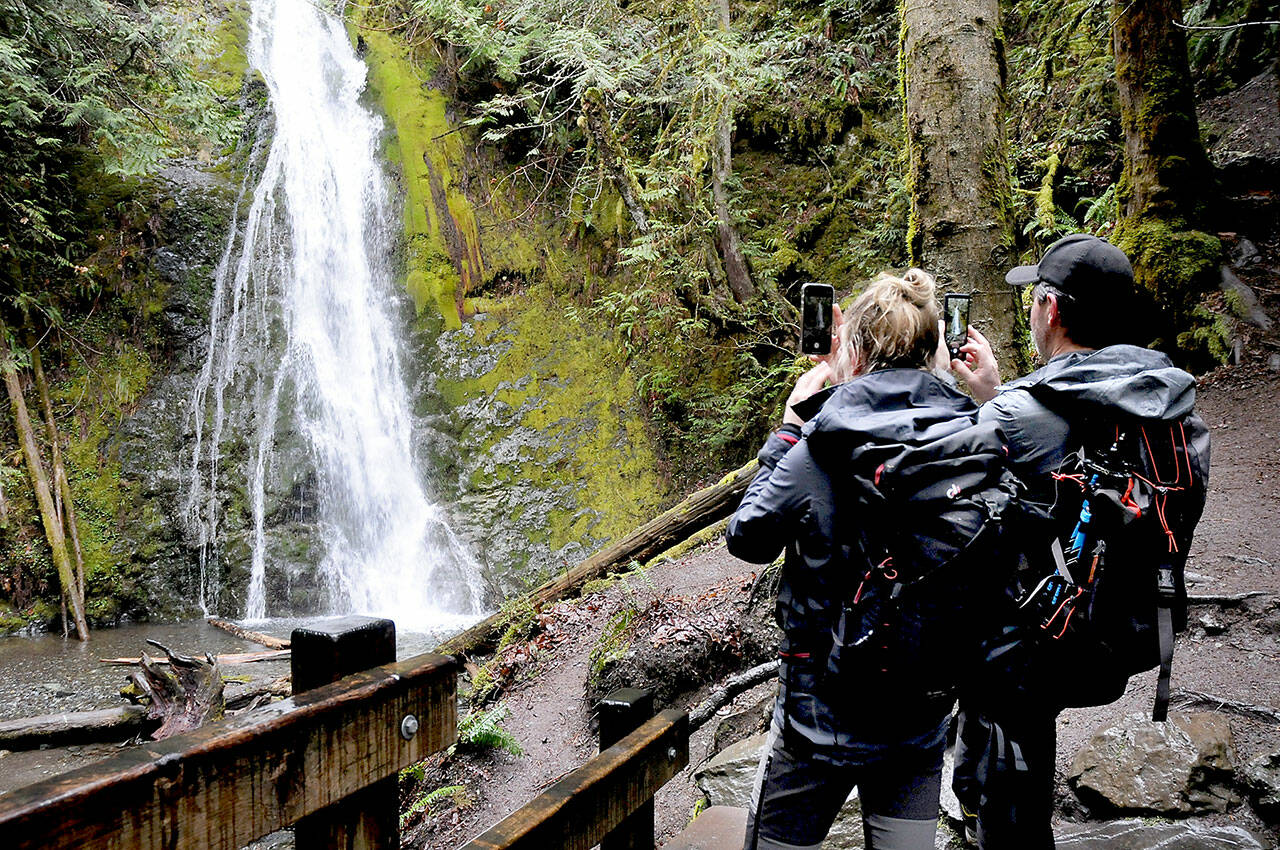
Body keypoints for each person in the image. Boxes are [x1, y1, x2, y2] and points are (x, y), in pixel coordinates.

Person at [727, 269, 1011, 850]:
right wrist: (992, 398)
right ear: (936, 351)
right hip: (920, 718)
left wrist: (788, 427)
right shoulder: (979, 442)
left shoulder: (817, 449)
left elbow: (748, 536)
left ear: (852, 353)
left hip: (815, 721)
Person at [947, 234, 1212, 849]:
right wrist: (997, 393)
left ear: (1052, 309)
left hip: (1035, 642)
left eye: (1035, 299)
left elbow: (941, 484)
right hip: (1127, 625)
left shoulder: (1020, 411)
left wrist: (977, 398)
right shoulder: (1166, 399)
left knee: (1010, 786)